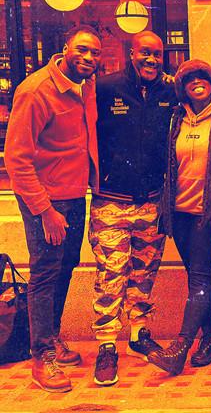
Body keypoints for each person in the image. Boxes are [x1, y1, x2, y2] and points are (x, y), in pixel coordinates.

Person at [5, 25, 102, 392]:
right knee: (46, 274)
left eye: (95, 52)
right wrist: (45, 211)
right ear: (65, 48)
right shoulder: (36, 90)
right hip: (45, 201)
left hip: (74, 195)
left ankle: (53, 337)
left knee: (65, 267)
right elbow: (16, 160)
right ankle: (41, 357)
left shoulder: (85, 85)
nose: (89, 57)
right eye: (82, 50)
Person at [147, 59, 211, 375]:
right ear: (183, 88)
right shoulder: (176, 117)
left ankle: (180, 347)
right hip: (179, 212)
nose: (197, 83)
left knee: (200, 276)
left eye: (203, 77)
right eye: (190, 79)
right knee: (196, 278)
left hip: (209, 213)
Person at [90, 31, 176, 386]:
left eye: (157, 54)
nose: (151, 60)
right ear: (131, 53)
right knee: (111, 276)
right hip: (111, 201)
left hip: (151, 201)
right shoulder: (104, 88)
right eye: (145, 53)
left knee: (143, 274)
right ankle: (107, 345)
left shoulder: (169, 91)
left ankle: (139, 334)